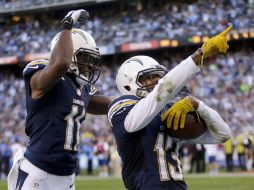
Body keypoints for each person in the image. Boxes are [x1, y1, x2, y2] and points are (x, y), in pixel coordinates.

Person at [107, 27, 232, 189]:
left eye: (158, 77)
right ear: (128, 84)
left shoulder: (170, 112)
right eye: (147, 78)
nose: (156, 82)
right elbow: (158, 96)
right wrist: (198, 55)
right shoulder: (121, 107)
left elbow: (223, 134)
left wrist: (197, 104)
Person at [8, 9, 111, 190]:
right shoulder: (42, 75)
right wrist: (67, 25)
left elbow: (109, 104)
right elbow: (61, 63)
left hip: (66, 176)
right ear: (70, 54)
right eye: (84, 58)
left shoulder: (81, 88)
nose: (89, 65)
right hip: (38, 172)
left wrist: (139, 101)